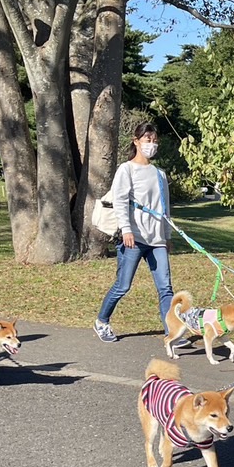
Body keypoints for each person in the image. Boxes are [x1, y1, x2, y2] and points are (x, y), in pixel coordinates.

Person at [93, 122, 180, 344]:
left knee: (165, 288)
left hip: (157, 239)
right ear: (136, 142)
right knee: (123, 285)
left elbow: (165, 207)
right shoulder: (127, 169)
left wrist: (167, 236)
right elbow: (120, 201)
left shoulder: (159, 173)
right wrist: (126, 230)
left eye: (154, 140)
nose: (151, 144)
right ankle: (102, 321)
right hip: (134, 238)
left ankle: (171, 332)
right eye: (147, 140)